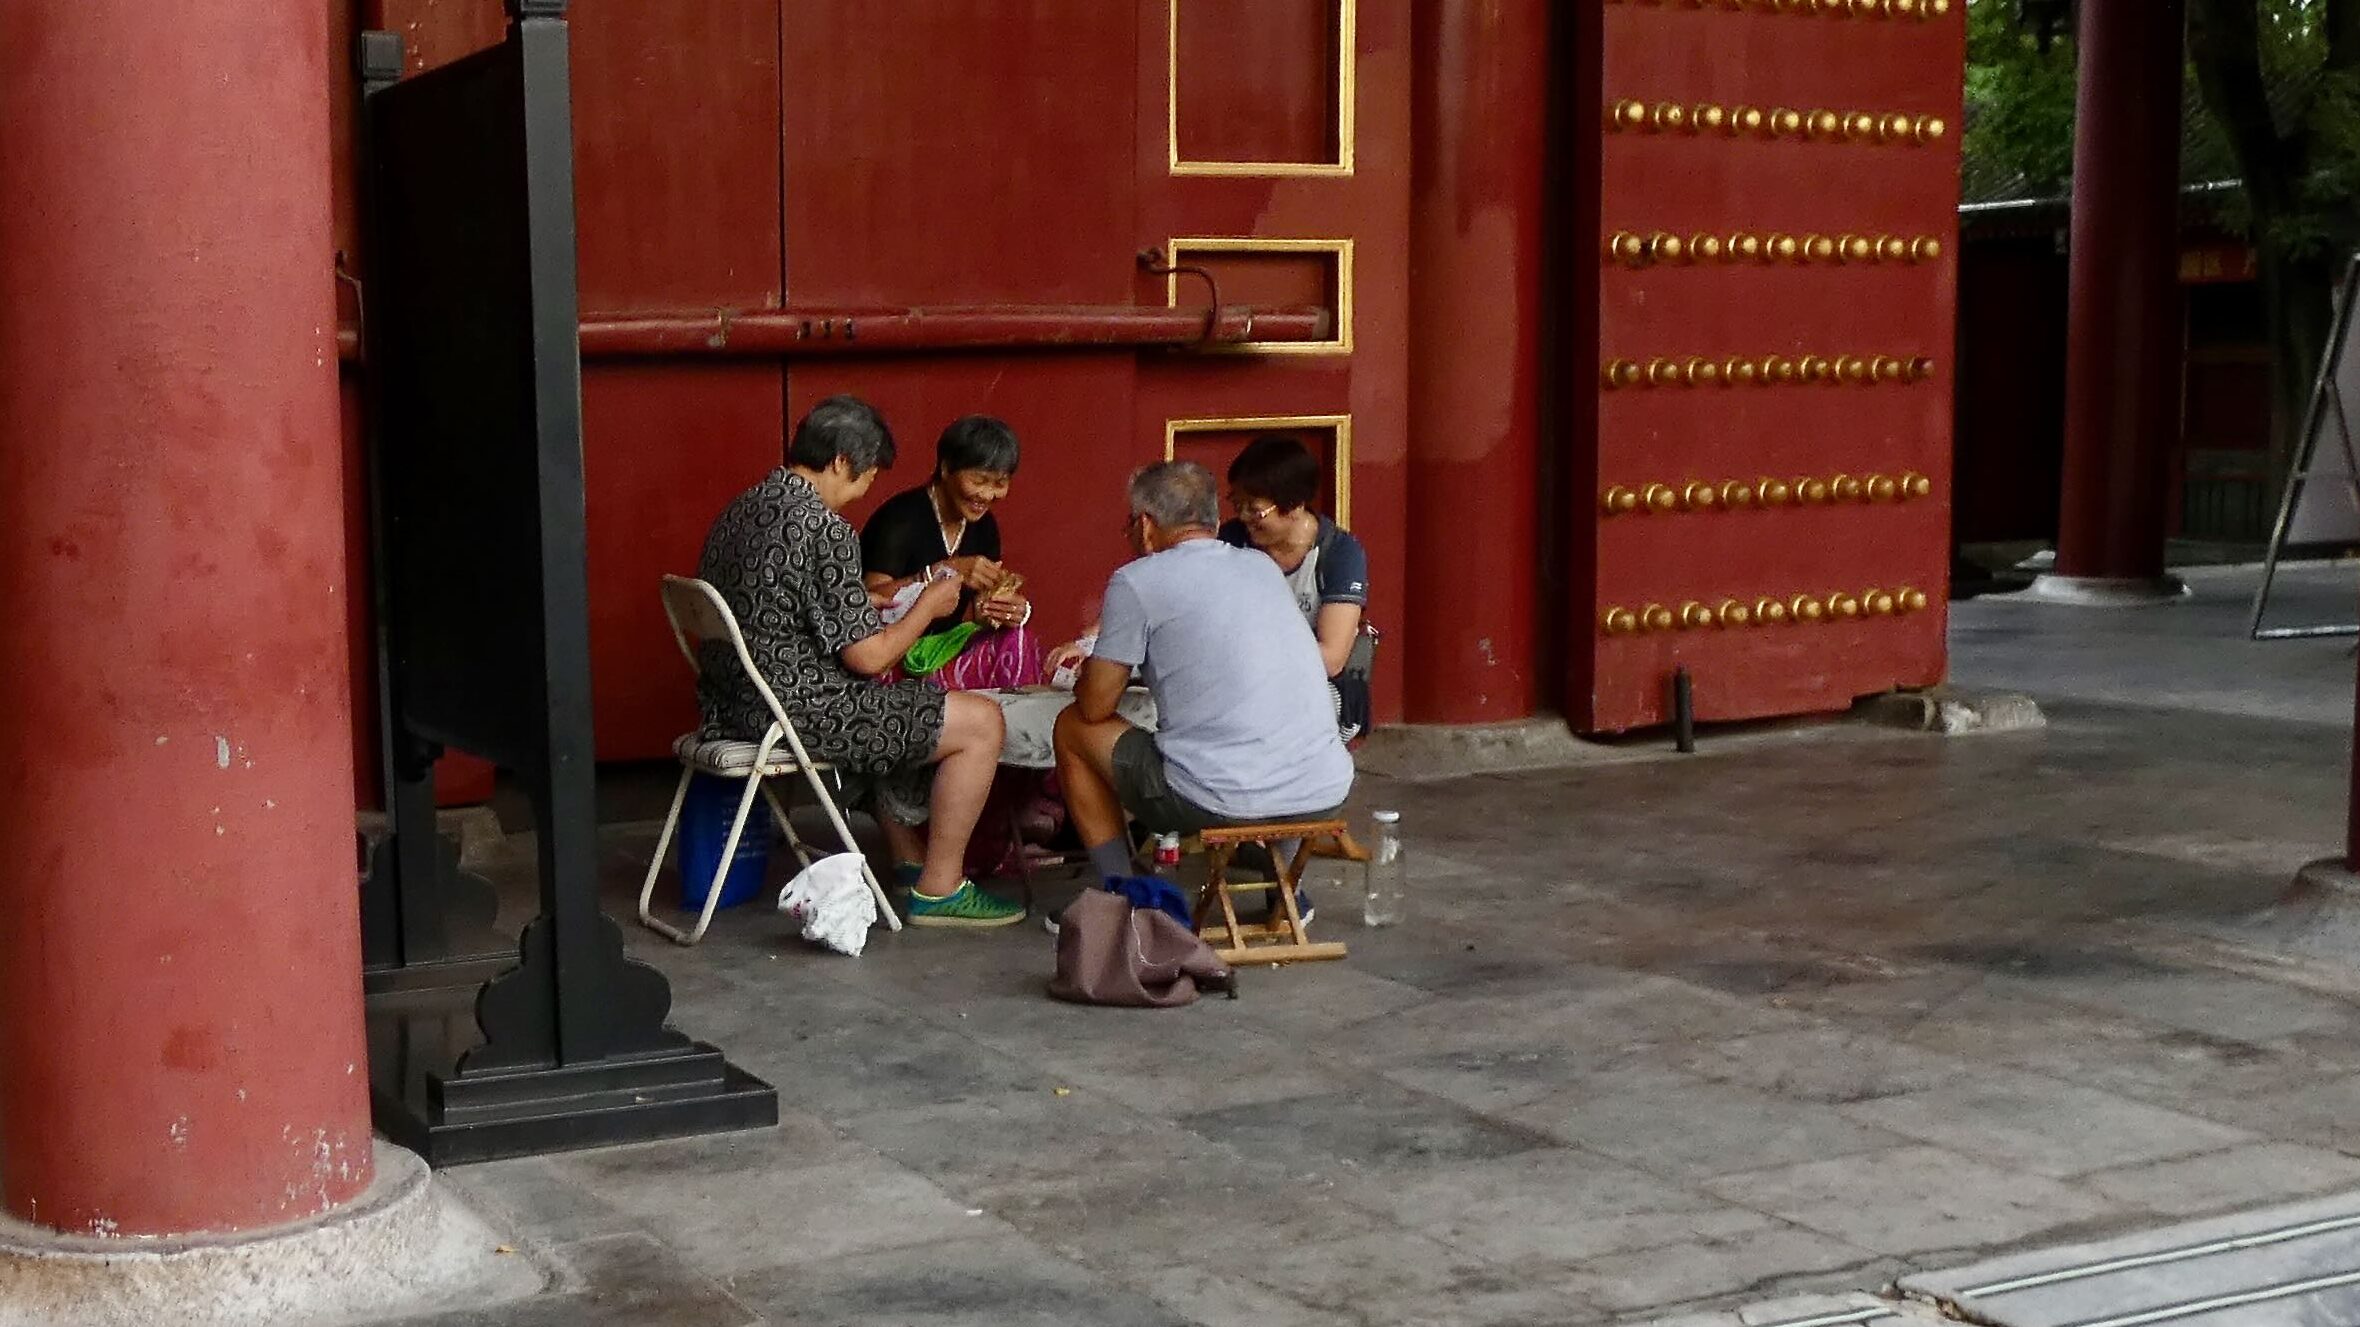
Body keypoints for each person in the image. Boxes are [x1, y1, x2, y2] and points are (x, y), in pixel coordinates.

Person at [695, 395, 1023, 927]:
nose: (864, 491)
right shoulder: (824, 529)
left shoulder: (743, 509)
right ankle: (940, 889)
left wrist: (872, 599)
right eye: (867, 477)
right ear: (843, 462)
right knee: (982, 721)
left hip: (732, 706)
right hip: (799, 714)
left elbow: (788, 603)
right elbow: (870, 657)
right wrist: (930, 604)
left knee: (913, 699)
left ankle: (906, 855)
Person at [1052, 461, 1354, 892]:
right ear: (1213, 519)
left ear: (1145, 525)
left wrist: (1086, 673)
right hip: (1325, 789)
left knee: (1072, 727)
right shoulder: (1262, 568)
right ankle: (1284, 892)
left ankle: (1122, 890)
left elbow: (1096, 706)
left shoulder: (1136, 580)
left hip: (1219, 797)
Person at [858, 415, 1040, 691]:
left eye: (999, 483)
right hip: (889, 656)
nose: (987, 495)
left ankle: (1016, 727)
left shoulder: (984, 526)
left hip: (940, 651)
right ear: (945, 469)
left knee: (1016, 637)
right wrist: (939, 572)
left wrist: (1001, 610)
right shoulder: (900, 519)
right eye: (979, 480)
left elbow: (979, 613)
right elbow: (868, 600)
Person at [1216, 434, 1374, 743]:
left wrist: (1249, 659)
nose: (1244, 518)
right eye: (1238, 505)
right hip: (1237, 682)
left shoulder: (1339, 553)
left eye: (1255, 509)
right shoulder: (1230, 541)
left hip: (1315, 686)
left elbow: (1331, 659)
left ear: (1294, 505)